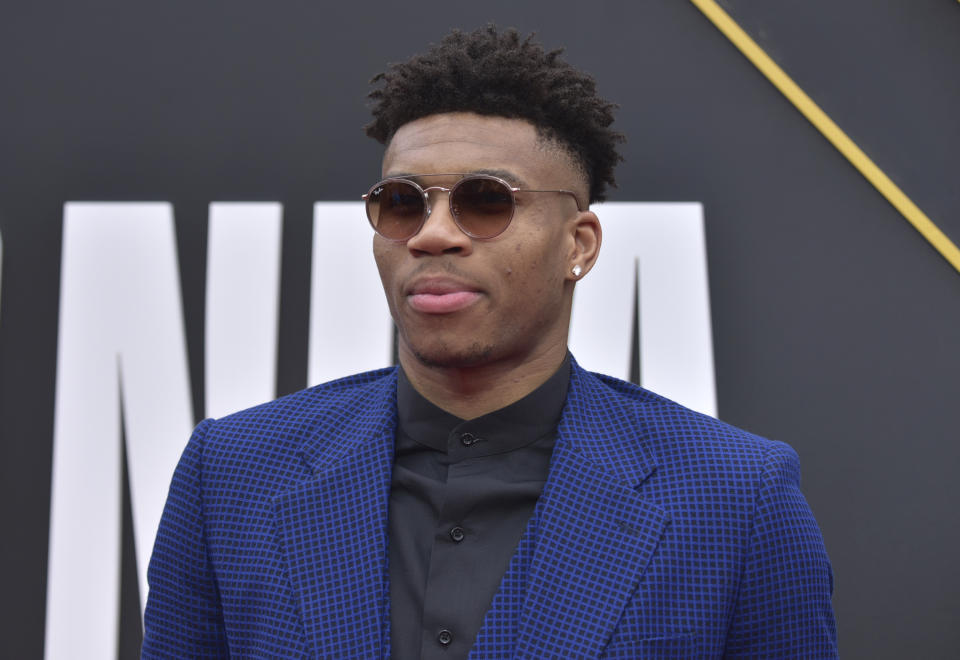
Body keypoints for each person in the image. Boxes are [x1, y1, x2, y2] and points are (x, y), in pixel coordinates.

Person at [142, 26, 837, 659]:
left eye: (486, 200)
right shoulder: (231, 474)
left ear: (579, 244)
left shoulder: (735, 497)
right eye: (402, 202)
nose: (432, 233)